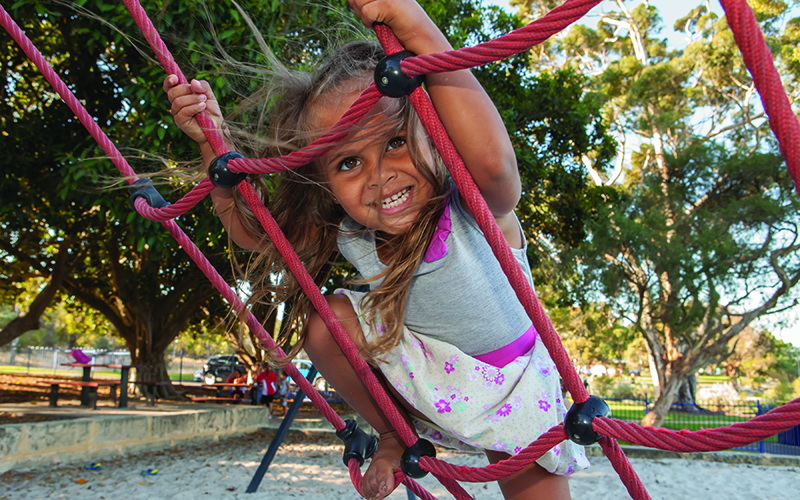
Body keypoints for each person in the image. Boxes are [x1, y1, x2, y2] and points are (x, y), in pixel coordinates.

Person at [163, 1, 587, 498]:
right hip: (426, 380)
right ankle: (392, 432)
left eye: (394, 142)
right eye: (347, 163)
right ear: (324, 182)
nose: (379, 176)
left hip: (512, 386)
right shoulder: (351, 231)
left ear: (433, 131)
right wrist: (217, 154)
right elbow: (258, 237)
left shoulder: (472, 199)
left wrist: (417, 28)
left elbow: (499, 170)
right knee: (327, 323)